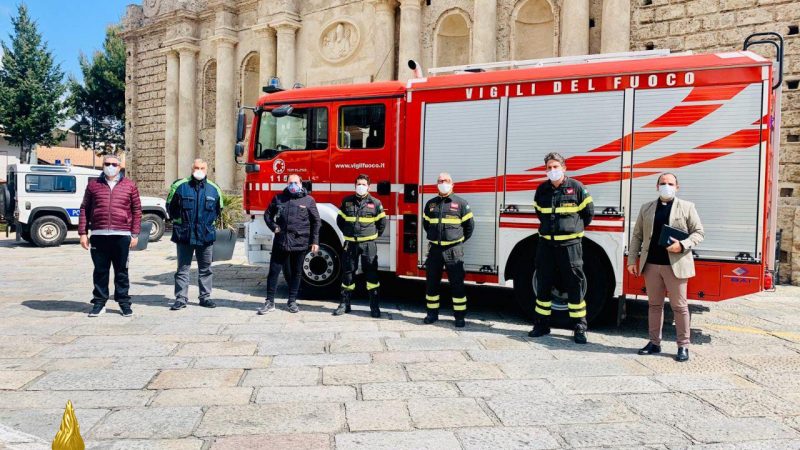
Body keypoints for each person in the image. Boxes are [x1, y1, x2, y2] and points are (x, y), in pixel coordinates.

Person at [627, 173, 704, 362]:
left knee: (679, 306)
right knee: (654, 305)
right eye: (663, 183)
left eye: (670, 183)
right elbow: (637, 235)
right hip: (652, 265)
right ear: (657, 186)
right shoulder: (646, 208)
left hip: (675, 265)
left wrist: (683, 245)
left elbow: (699, 233)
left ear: (677, 187)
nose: (666, 186)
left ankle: (683, 346)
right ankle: (654, 343)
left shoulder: (687, 207)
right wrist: (631, 260)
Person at [529, 152, 594, 343]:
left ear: (564, 168)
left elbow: (588, 214)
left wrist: (571, 230)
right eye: (549, 168)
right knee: (544, 284)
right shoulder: (541, 189)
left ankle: (579, 327)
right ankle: (541, 325)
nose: (552, 171)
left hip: (570, 246)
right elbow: (539, 213)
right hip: (546, 245)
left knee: (574, 285)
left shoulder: (577, 188)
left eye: (555, 167)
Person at [78, 154, 142, 318]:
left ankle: (124, 303)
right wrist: (83, 233)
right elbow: (85, 208)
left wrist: (134, 233)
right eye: (107, 163)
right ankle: (99, 303)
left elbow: (136, 210)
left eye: (114, 164)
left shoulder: (129, 185)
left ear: (120, 167)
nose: (111, 166)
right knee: (100, 270)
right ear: (102, 165)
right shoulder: (93, 185)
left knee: (122, 271)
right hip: (99, 234)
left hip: (121, 234)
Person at [258, 174, 320, 314]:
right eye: (290, 182)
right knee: (274, 271)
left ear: (301, 183)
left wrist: (315, 241)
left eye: (295, 182)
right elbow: (268, 215)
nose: (292, 185)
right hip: (281, 241)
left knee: (296, 273)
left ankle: (292, 301)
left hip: (300, 242)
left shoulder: (309, 200)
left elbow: (316, 221)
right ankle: (269, 302)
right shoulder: (279, 198)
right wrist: (274, 227)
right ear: (287, 183)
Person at [166, 159, 224, 311]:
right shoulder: (180, 186)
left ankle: (205, 297)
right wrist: (181, 222)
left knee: (205, 269)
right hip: (184, 234)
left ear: (207, 170)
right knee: (183, 268)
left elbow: (218, 211)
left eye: (202, 168)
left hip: (205, 235)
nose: (199, 170)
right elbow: (170, 209)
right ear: (191, 169)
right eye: (196, 167)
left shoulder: (214, 189)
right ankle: (180, 298)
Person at [422, 172, 474, 327]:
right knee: (432, 283)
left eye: (446, 180)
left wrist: (457, 241)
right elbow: (426, 225)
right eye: (440, 180)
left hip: (453, 250)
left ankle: (459, 317)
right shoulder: (431, 204)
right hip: (435, 250)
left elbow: (469, 227)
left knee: (457, 284)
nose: (442, 183)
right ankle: (432, 314)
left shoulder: (461, 203)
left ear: (452, 184)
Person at [334, 174, 386, 317]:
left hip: (368, 245)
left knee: (371, 275)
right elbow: (340, 221)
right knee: (348, 274)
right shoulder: (347, 202)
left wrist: (373, 236)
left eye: (363, 184)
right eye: (358, 184)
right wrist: (348, 233)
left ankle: (374, 307)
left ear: (368, 186)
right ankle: (344, 304)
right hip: (350, 244)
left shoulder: (375, 203)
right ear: (355, 185)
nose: (361, 187)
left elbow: (382, 224)